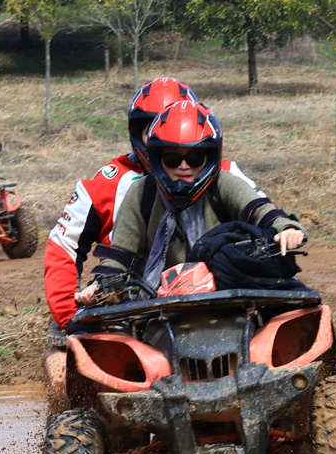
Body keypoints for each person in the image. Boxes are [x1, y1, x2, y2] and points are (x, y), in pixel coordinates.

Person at [42, 78, 195, 390]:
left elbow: (262, 218)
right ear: (136, 133)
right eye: (152, 129)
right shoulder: (105, 184)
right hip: (123, 304)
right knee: (63, 369)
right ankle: (77, 423)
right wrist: (69, 315)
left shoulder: (221, 172)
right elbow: (62, 246)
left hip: (206, 298)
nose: (163, 138)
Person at [77, 101, 302, 306]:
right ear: (157, 159)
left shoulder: (224, 183)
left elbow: (260, 210)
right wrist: (101, 285)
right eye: (172, 159)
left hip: (229, 297)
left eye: (194, 158)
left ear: (210, 157)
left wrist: (286, 228)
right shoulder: (141, 193)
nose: (183, 166)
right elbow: (120, 255)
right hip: (154, 305)